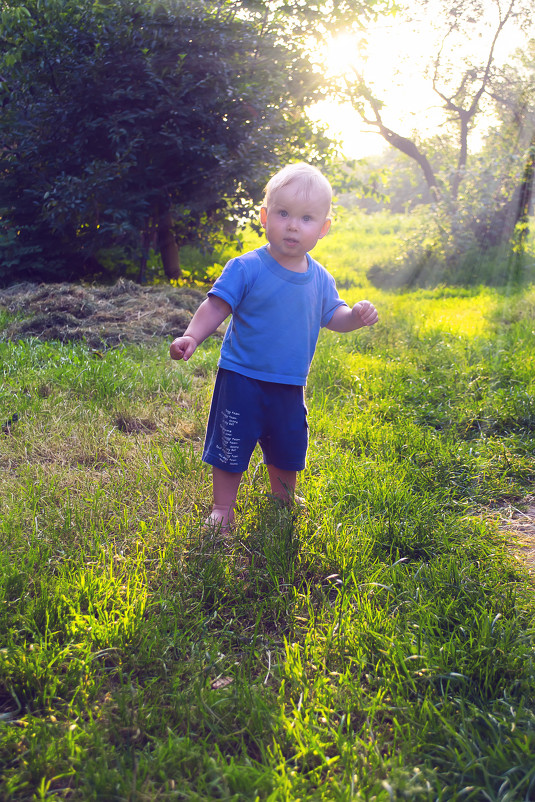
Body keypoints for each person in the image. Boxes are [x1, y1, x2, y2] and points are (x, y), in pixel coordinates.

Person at [170, 162, 378, 532]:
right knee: (231, 444)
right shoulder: (247, 267)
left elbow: (335, 316)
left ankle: (283, 496)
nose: (293, 225)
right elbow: (216, 305)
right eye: (283, 214)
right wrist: (192, 336)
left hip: (289, 382)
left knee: (288, 444)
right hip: (241, 377)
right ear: (265, 217)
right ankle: (223, 507)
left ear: (323, 228)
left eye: (306, 218)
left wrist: (355, 316)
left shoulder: (320, 279)